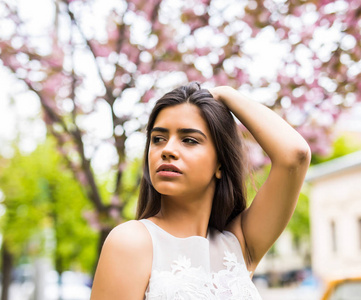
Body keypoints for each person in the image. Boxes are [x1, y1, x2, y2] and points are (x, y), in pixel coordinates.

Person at [90, 82, 311, 299]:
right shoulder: (131, 242)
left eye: (189, 140)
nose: (167, 150)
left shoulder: (239, 244)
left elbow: (295, 155)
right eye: (158, 139)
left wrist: (226, 94)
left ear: (220, 164)